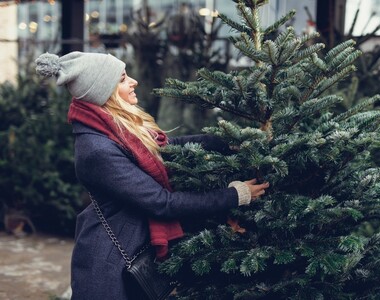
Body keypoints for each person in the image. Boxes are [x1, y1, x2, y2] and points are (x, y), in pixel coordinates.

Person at [35, 51, 269, 299]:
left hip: (131, 248)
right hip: (109, 266)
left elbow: (166, 148)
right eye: (123, 78)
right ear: (104, 91)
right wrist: (235, 195)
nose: (133, 81)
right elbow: (162, 204)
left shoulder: (115, 128)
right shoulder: (97, 150)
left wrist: (227, 141)